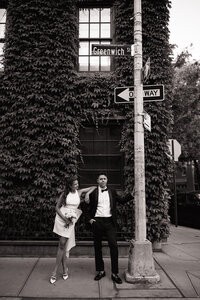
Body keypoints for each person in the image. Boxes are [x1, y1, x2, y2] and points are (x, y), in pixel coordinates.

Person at [85, 172, 133, 284]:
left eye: (104, 178)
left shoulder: (112, 191)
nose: (102, 180)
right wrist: (89, 219)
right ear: (97, 181)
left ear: (107, 180)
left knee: (114, 246)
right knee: (97, 247)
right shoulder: (93, 193)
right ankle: (101, 271)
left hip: (109, 222)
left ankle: (114, 273)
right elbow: (85, 207)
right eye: (100, 179)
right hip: (97, 222)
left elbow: (121, 201)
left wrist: (131, 195)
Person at [50, 176, 96, 284]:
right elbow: (57, 207)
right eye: (75, 184)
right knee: (62, 245)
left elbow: (94, 187)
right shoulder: (64, 194)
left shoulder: (79, 192)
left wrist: (88, 194)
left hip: (71, 220)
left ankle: (58, 270)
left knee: (62, 243)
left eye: (77, 184)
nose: (77, 185)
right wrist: (64, 218)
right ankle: (60, 269)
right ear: (70, 185)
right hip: (61, 219)